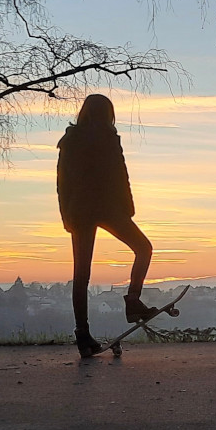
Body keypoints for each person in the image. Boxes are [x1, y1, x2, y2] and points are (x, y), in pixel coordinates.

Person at [57, 94, 156, 357]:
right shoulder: (109, 138)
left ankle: (83, 334)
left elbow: (62, 182)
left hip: (80, 211)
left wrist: (66, 215)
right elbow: (121, 175)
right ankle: (133, 300)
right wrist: (128, 209)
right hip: (108, 208)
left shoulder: (71, 140)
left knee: (82, 275)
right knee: (143, 248)